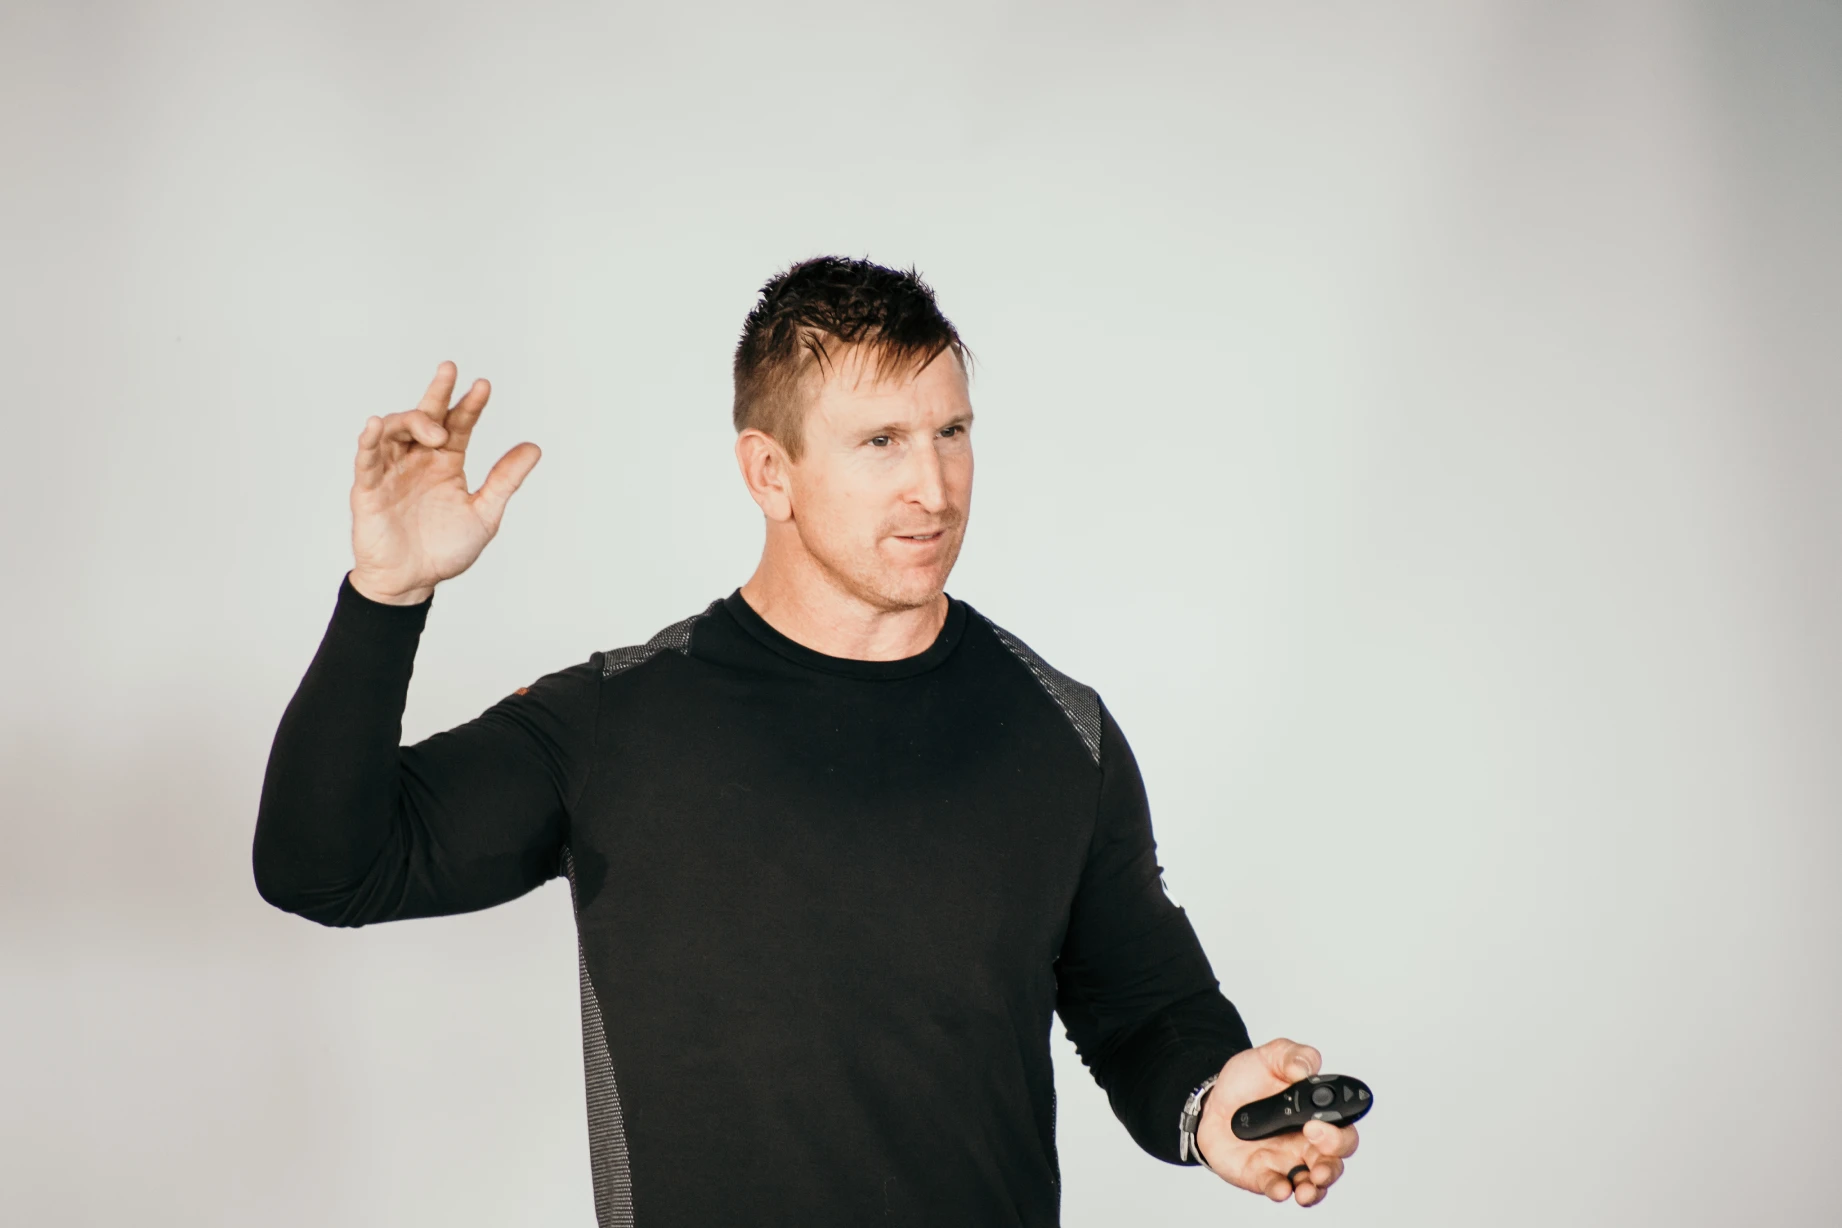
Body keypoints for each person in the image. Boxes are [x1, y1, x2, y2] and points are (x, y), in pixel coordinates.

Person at [252, 256, 1360, 1226]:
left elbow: (1145, 1007)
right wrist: (386, 595)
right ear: (768, 472)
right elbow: (326, 866)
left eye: (952, 432)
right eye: (881, 442)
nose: (934, 487)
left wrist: (1218, 1103)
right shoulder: (617, 724)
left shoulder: (1060, 729)